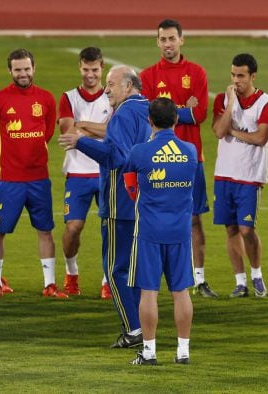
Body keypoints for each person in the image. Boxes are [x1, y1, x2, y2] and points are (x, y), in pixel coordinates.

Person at [59, 65, 149, 348]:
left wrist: (81, 142)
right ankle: (144, 328)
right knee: (134, 269)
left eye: (111, 84)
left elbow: (115, 156)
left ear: (129, 86)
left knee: (115, 270)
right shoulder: (144, 108)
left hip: (118, 202)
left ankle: (134, 330)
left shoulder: (123, 113)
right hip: (140, 201)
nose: (106, 89)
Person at [139, 19, 215, 298]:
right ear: (157, 42)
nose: (168, 44)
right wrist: (183, 109)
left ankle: (199, 279)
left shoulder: (196, 72)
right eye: (163, 39)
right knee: (153, 217)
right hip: (157, 160)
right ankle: (156, 278)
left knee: (194, 220)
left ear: (182, 40)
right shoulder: (147, 76)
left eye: (172, 39)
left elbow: (200, 114)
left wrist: (166, 110)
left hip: (190, 161)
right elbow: (150, 115)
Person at [0, 49, 64, 299]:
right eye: (18, 69)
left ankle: (50, 284)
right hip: (9, 180)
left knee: (45, 230)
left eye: (26, 69)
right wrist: (1, 157)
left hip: (39, 178)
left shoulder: (47, 99)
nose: (23, 74)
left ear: (34, 68)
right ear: (10, 71)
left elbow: (48, 131)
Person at [125, 97, 197, 365]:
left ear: (150, 121)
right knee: (181, 291)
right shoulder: (189, 151)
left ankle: (149, 352)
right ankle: (183, 351)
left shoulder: (139, 152)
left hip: (149, 231)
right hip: (180, 231)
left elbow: (129, 180)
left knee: (149, 292)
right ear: (177, 120)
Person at [211, 53, 268, 298]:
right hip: (224, 175)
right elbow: (219, 132)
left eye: (241, 76)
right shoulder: (222, 99)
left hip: (250, 176)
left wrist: (235, 132)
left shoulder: (267, 102)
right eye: (233, 75)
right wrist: (230, 105)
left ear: (252, 76)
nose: (236, 80)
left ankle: (257, 274)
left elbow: (261, 138)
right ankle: (240, 282)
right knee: (230, 230)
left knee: (247, 229)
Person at [57, 47, 112, 298]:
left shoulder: (112, 96)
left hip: (106, 171)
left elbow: (114, 132)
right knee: (73, 228)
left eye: (95, 69)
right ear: (79, 67)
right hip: (77, 173)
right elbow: (68, 134)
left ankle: (107, 280)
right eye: (86, 69)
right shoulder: (68, 97)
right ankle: (71, 273)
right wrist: (100, 129)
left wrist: (82, 127)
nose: (90, 74)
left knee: (111, 228)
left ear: (102, 68)